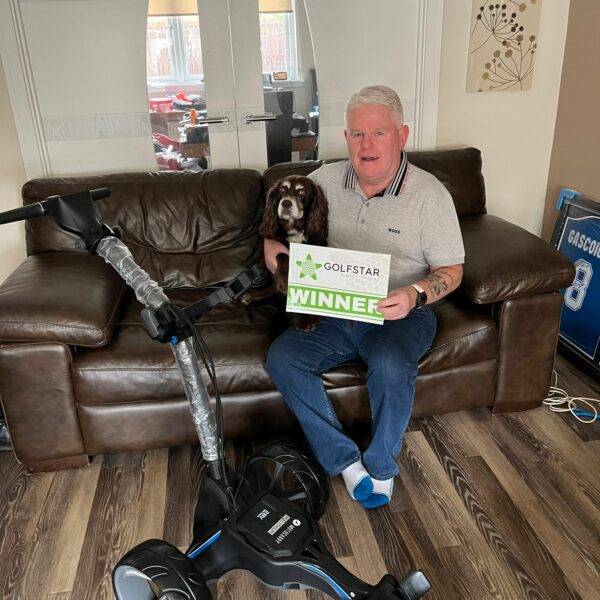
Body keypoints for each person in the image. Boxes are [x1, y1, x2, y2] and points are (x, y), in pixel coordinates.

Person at [264, 85, 464, 508]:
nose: (366, 145)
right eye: (357, 134)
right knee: (283, 358)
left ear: (401, 136)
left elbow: (452, 271)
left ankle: (381, 466)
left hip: (400, 313)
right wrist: (280, 258)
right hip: (333, 308)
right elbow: (273, 234)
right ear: (346, 137)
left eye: (378, 133)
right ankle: (344, 461)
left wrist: (414, 294)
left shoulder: (430, 195)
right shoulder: (323, 181)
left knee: (391, 365)